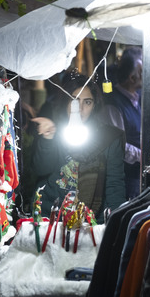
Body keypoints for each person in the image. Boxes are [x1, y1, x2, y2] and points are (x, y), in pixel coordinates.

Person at [31, 75, 126, 222]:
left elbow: (114, 186)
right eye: (74, 100)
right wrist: (48, 139)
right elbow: (41, 169)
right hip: (48, 217)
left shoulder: (108, 138)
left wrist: (114, 225)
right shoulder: (54, 131)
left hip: (87, 221)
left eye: (87, 102)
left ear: (95, 105)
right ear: (66, 102)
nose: (79, 109)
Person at [102, 47, 150, 198]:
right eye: (142, 71)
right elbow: (116, 144)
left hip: (138, 175)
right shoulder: (113, 104)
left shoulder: (137, 98)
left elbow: (140, 130)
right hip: (124, 179)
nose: (145, 75)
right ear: (131, 77)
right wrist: (143, 155)